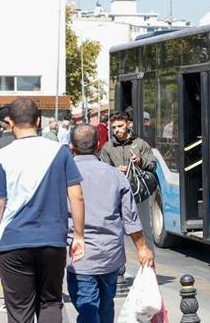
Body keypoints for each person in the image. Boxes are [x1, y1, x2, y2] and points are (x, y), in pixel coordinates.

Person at [0, 99, 86, 323]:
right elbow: (76, 195)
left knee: (19, 310)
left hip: (14, 241)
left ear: (10, 122)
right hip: (52, 241)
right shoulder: (60, 151)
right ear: (38, 120)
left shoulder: (2, 157)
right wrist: (78, 235)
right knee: (51, 302)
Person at [67, 124, 154, 323]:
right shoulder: (115, 175)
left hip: (78, 256)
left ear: (72, 147)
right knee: (106, 305)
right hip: (110, 254)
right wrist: (142, 248)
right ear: (98, 145)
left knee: (87, 306)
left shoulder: (64, 175)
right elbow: (130, 216)